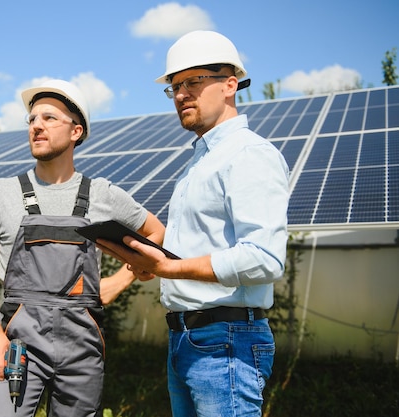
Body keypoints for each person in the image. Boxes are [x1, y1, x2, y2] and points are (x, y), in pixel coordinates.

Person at [96, 31, 290, 416]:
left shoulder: (248, 155)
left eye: (194, 81)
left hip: (226, 342)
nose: (182, 94)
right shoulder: (199, 163)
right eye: (175, 86)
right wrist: (150, 266)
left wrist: (171, 267)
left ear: (230, 84)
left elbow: (265, 258)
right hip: (187, 338)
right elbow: (192, 253)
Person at [0, 79, 165, 417]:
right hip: (16, 343)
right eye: (32, 119)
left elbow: (156, 233)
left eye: (50, 118)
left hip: (82, 345)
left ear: (76, 132)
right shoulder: (0, 192)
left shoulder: (103, 194)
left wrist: (119, 281)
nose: (37, 125)